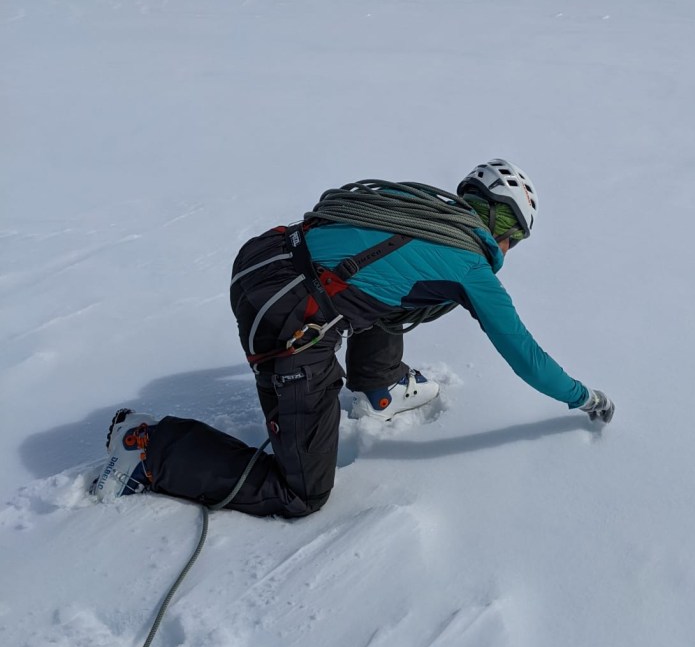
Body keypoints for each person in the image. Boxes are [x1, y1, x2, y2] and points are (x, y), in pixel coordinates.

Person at [89, 159, 614, 518]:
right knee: (301, 492)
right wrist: (586, 397)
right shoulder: (472, 269)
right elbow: (526, 358)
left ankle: (378, 384)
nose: (510, 245)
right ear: (504, 226)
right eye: (515, 235)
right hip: (289, 316)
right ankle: (150, 447)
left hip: (265, 259)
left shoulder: (414, 210)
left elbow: (373, 272)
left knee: (387, 296)